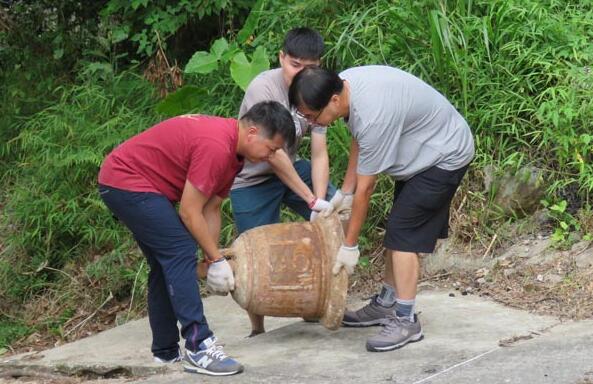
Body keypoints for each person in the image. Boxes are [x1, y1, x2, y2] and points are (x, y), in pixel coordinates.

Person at [98, 101, 295, 374]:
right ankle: (198, 345)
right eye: (271, 148)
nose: (270, 155)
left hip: (135, 184)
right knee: (179, 249)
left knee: (164, 263)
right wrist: (216, 258)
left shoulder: (234, 156)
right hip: (125, 180)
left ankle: (166, 352)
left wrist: (210, 260)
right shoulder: (217, 146)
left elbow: (210, 208)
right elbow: (189, 212)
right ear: (252, 133)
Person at [289, 65, 474, 352]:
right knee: (398, 230)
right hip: (423, 152)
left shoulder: (372, 114)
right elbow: (359, 141)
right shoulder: (343, 86)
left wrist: (349, 246)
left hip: (444, 155)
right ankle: (387, 303)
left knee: (403, 236)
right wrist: (344, 193)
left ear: (334, 101)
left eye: (313, 116)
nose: (313, 123)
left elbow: (368, 189)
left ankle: (406, 319)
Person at [230, 27, 344, 336]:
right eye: (295, 65)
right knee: (253, 256)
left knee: (336, 211)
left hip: (293, 170)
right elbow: (274, 154)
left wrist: (320, 202)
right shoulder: (262, 88)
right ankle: (258, 329)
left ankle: (318, 299)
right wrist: (309, 198)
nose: (301, 74)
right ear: (281, 58)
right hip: (253, 179)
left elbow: (319, 153)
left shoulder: (316, 89)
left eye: (311, 68)